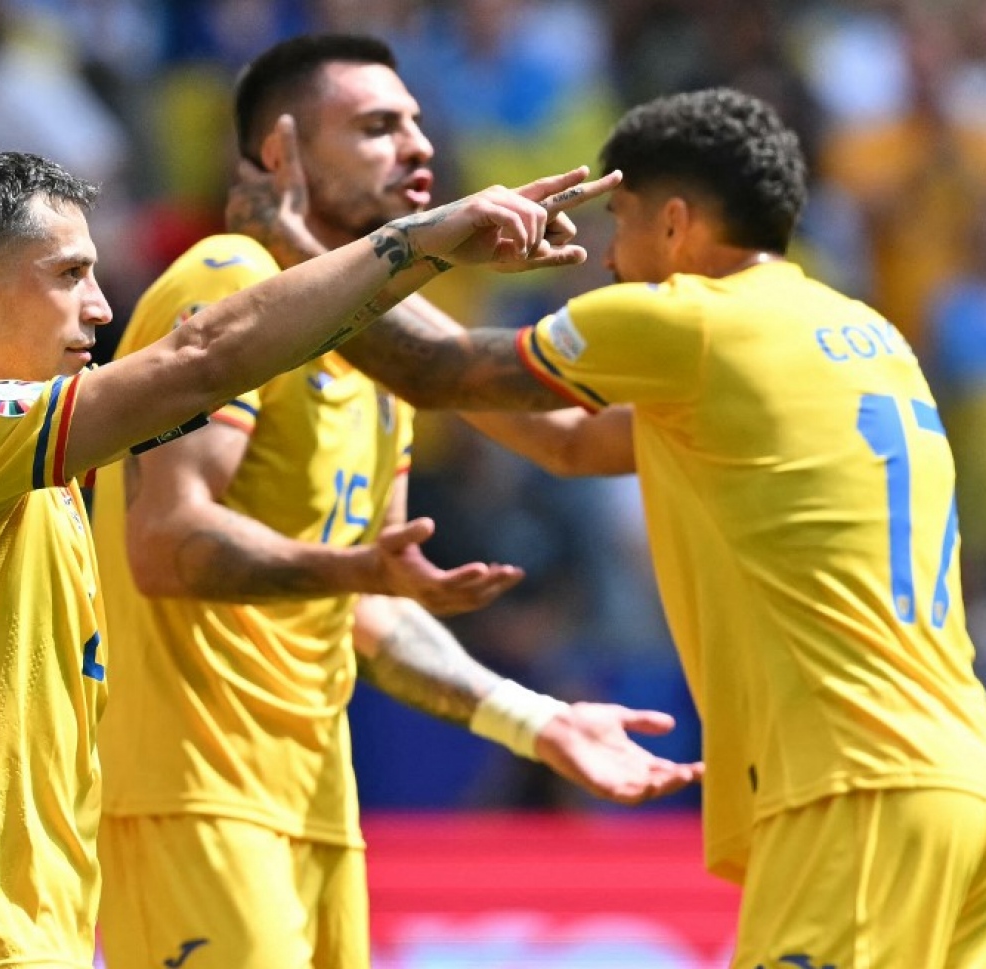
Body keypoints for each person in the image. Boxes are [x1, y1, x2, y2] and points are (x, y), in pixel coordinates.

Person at [0, 147, 611, 967]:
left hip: (28, 938)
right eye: (69, 275)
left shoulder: (23, 481)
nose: (101, 306)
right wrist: (419, 242)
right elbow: (201, 360)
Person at [259, 86, 986, 968]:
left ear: (674, 222)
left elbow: (433, 370)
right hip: (958, 774)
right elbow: (570, 441)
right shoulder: (860, 330)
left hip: (857, 783)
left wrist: (305, 249)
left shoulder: (692, 321)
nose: (606, 256)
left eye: (621, 222)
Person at [91, 34, 703, 969]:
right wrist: (351, 571)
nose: (418, 144)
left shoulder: (375, 344)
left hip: (317, 805)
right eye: (377, 127)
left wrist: (533, 718)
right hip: (195, 795)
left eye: (416, 121)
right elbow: (165, 541)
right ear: (282, 155)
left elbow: (369, 602)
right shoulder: (228, 282)